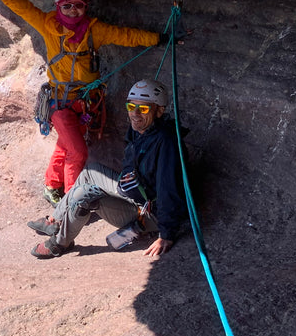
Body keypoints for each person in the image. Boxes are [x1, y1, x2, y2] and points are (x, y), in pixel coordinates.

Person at [0, 0, 160, 204]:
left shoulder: (94, 30)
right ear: (59, 6)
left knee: (66, 145)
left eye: (78, 5)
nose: (73, 10)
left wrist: (158, 39)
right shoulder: (47, 25)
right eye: (67, 6)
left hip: (85, 103)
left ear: (85, 6)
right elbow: (24, 8)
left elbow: (126, 35)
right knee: (78, 152)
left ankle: (51, 185)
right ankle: (72, 201)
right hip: (59, 104)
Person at [26, 79, 187, 259]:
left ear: (159, 111)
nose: (134, 113)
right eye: (131, 106)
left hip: (150, 211)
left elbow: (168, 190)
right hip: (136, 190)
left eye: (143, 109)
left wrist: (166, 235)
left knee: (83, 195)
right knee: (90, 171)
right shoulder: (141, 130)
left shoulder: (166, 143)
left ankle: (59, 243)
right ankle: (56, 220)